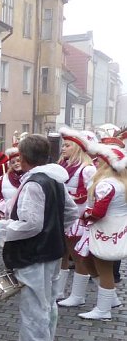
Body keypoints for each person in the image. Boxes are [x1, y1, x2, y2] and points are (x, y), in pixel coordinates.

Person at [0, 134, 79, 341]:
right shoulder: (55, 180)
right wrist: (53, 231)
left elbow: (30, 224)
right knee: (47, 306)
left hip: (34, 254)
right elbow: (70, 213)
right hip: (51, 252)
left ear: (23, 156)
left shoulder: (34, 183)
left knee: (35, 309)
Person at [69, 142, 127, 320]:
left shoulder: (107, 184)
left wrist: (85, 215)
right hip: (111, 228)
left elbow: (98, 212)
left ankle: (103, 309)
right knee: (87, 259)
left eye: (100, 160)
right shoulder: (120, 182)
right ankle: (112, 299)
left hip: (103, 229)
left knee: (104, 268)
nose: (96, 162)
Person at [54, 128, 97, 304]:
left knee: (79, 257)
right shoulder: (62, 166)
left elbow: (93, 196)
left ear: (78, 148)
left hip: (78, 219)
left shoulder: (87, 170)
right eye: (63, 145)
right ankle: (58, 291)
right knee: (61, 254)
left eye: (67, 145)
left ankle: (77, 296)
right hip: (64, 217)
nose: (63, 148)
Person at [0, 148, 22, 218]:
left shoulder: (30, 177)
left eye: (18, 161)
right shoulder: (3, 179)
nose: (16, 164)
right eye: (13, 162)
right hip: (8, 217)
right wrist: (5, 209)